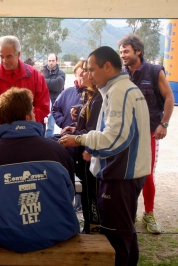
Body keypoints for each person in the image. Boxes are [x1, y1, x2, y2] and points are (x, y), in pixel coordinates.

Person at [59, 46, 151, 265]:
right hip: (125, 175)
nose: (88, 74)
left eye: (92, 69)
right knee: (125, 231)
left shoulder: (118, 91)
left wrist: (80, 140)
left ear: (107, 66)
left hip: (120, 176)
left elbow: (114, 138)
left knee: (115, 236)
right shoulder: (121, 89)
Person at [0, 88, 79, 253]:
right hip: (58, 233)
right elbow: (70, 194)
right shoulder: (57, 151)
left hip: (3, 238)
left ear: (0, 120)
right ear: (27, 117)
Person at [118, 34, 175, 234]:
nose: (122, 55)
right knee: (126, 173)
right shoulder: (120, 74)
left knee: (147, 174)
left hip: (150, 133)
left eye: (126, 51)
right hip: (126, 133)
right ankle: (130, 212)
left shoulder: (154, 71)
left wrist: (164, 124)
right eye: (121, 51)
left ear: (138, 51)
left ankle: (148, 213)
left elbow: (169, 97)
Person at [60, 59, 103, 234]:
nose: (82, 74)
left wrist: (80, 141)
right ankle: (88, 225)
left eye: (86, 71)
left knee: (91, 193)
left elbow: (94, 130)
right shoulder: (89, 96)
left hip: (88, 153)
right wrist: (75, 128)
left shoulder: (98, 99)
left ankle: (93, 227)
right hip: (83, 151)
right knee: (86, 192)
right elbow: (87, 126)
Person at [0, 35, 49, 130]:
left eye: (9, 56)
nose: (4, 61)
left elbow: (43, 105)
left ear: (18, 54)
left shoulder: (35, 76)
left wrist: (27, 120)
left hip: (29, 131)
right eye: (2, 57)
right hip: (0, 132)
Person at [51, 60, 85, 130]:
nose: (83, 77)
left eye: (85, 74)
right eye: (80, 75)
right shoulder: (66, 92)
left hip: (85, 136)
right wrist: (63, 122)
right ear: (75, 75)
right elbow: (55, 109)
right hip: (67, 133)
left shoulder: (94, 95)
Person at [42, 53, 66, 138]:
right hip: (42, 104)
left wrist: (44, 81)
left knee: (50, 127)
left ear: (57, 61)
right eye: (49, 60)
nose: (51, 62)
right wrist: (52, 82)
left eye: (53, 60)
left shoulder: (61, 73)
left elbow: (58, 86)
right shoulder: (42, 72)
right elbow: (38, 85)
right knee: (41, 127)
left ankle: (48, 144)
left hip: (55, 104)